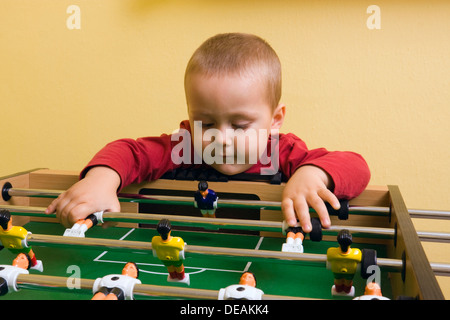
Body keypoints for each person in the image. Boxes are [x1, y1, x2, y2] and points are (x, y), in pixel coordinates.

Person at [45, 33, 371, 235]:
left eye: (240, 125)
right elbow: (130, 151)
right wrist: (101, 179)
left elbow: (356, 166)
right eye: (206, 122)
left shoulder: (282, 152)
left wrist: (312, 174)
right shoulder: (183, 145)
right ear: (189, 119)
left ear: (275, 120)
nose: (222, 139)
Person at [151, 219, 189, 285]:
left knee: (170, 268)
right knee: (179, 268)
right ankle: (181, 278)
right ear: (170, 231)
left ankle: (173, 277)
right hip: (176, 259)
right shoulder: (178, 241)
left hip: (163, 259)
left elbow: (154, 246)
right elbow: (181, 246)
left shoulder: (154, 240)